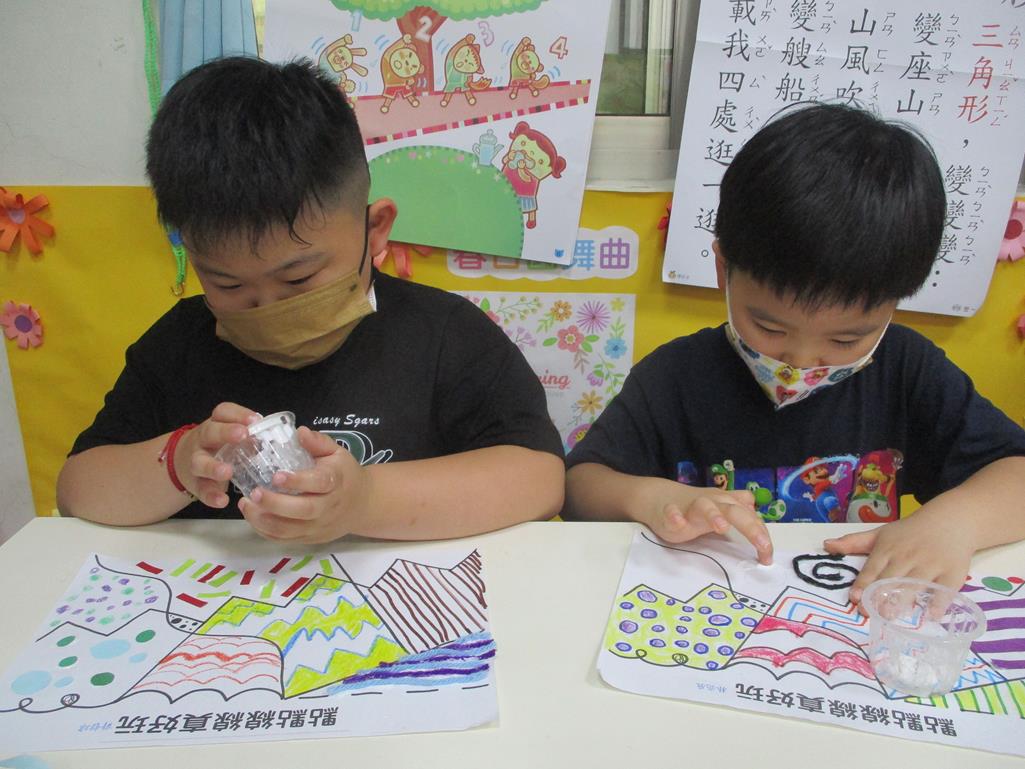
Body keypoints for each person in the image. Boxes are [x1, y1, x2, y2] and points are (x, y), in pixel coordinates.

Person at [57, 56, 565, 543]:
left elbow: (539, 478)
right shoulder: (178, 345)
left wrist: (365, 501)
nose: (267, 309)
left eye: (298, 280)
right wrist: (177, 461)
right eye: (228, 285)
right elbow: (78, 491)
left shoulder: (445, 335)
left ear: (374, 230)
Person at [564, 102, 1025, 605]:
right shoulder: (675, 376)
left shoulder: (907, 371)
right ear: (722, 270)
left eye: (845, 340)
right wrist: (654, 499)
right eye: (769, 326)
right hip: (708, 607)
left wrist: (956, 522)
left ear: (895, 303)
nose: (801, 362)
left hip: (850, 617)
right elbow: (581, 486)